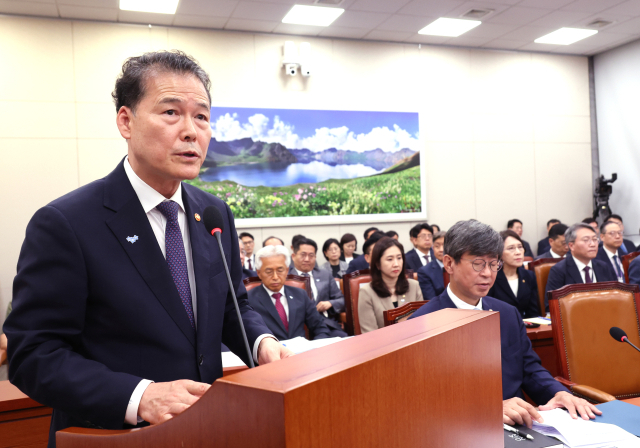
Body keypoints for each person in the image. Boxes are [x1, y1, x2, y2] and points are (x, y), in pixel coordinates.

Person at [3, 51, 291, 446]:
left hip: (203, 430)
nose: (191, 131)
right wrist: (139, 396)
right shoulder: (66, 222)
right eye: (171, 112)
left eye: (202, 117)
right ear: (126, 121)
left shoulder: (213, 212)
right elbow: (32, 353)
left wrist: (262, 344)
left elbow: (231, 306)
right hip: (110, 436)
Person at [409, 220, 601, 428]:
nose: (487, 273)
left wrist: (559, 393)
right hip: (461, 428)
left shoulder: (507, 313)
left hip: (519, 425)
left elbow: (529, 369)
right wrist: (488, 408)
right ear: (449, 264)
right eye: (478, 264)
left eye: (493, 264)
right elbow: (423, 399)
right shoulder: (422, 324)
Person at [248, 246, 331, 341]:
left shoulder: (300, 294)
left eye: (280, 270)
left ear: (287, 270)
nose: (275, 277)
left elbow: (320, 328)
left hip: (302, 352)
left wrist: (315, 348)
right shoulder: (249, 300)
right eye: (269, 271)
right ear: (259, 273)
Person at [358, 237, 423, 333]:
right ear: (377, 264)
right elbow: (370, 334)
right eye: (390, 259)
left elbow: (421, 323)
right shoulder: (367, 292)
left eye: (399, 258)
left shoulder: (414, 286)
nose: (396, 264)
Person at [546, 223, 618, 308]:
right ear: (571, 245)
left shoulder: (604, 267)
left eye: (595, 239)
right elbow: (551, 305)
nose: (592, 244)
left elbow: (615, 297)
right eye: (586, 240)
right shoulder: (559, 270)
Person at [289, 237, 347, 338]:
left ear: (315, 257)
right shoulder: (287, 278)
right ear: (293, 256)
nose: (307, 259)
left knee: (344, 341)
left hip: (324, 324)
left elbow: (342, 300)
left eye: (311, 255)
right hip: (297, 328)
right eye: (303, 255)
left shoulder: (325, 275)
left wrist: (330, 303)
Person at [488, 230, 540, 318]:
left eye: (520, 247)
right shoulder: (492, 277)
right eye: (511, 248)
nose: (518, 252)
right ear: (499, 254)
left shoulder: (529, 276)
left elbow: (533, 313)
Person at [417, 231, 446, 299]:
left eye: (444, 246)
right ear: (433, 248)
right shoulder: (425, 272)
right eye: (437, 246)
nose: (441, 250)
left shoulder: (458, 266)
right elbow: (431, 300)